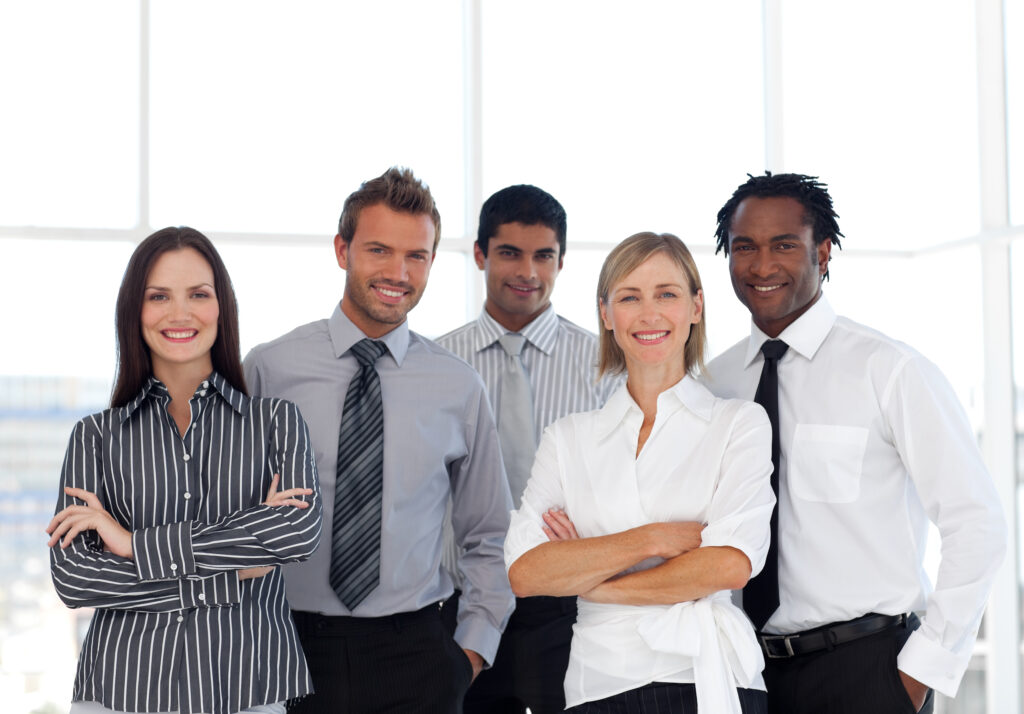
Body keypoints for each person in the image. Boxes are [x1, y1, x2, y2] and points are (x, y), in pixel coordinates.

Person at [704, 172, 1007, 714]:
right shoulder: (714, 384)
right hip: (740, 673)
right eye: (745, 246)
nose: (762, 265)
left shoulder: (889, 370)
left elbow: (976, 521)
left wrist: (918, 673)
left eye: (784, 245)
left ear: (823, 252)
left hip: (866, 670)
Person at [243, 167, 515, 713]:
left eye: (417, 255)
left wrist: (468, 655)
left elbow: (489, 535)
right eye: (379, 250)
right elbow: (227, 513)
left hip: (416, 655)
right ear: (342, 250)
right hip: (287, 649)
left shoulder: (458, 386)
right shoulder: (269, 370)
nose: (398, 271)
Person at [46, 226, 323, 714]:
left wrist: (133, 545)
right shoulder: (94, 436)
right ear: (136, 310)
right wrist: (234, 568)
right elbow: (76, 579)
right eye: (159, 296)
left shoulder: (276, 421)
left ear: (222, 308)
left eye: (198, 294)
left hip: (247, 686)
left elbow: (296, 534)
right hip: (121, 690)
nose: (180, 313)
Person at [504, 232, 774, 714]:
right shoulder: (568, 439)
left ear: (696, 306)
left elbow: (729, 565)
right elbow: (526, 572)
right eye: (630, 297)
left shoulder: (738, 424)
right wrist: (651, 539)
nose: (649, 315)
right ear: (606, 315)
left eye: (666, 294)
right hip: (598, 683)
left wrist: (588, 577)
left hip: (704, 677)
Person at [436, 184, 618, 714]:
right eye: (510, 253)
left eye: (544, 256)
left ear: (563, 260)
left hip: (568, 608)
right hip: (462, 605)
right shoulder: (436, 365)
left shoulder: (606, 367)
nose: (528, 272)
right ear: (479, 255)